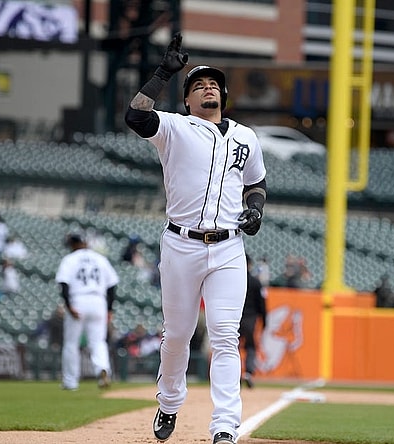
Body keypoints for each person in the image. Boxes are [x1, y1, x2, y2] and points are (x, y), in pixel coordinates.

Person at [124, 33, 267, 444]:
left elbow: (256, 183)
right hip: (181, 244)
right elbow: (136, 118)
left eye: (212, 83)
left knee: (225, 335)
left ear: (223, 94)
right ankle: (169, 402)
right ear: (187, 100)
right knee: (178, 335)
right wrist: (163, 73)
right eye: (197, 85)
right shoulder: (175, 127)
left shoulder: (246, 137)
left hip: (227, 248)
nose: (207, 87)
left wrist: (255, 209)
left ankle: (225, 425)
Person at [55, 232, 119, 391]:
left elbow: (63, 285)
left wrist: (69, 307)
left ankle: (70, 381)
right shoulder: (100, 258)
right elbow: (112, 286)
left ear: (73, 244)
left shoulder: (70, 259)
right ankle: (103, 370)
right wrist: (109, 309)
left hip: (78, 300)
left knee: (71, 343)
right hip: (99, 301)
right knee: (98, 342)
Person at [239, 254, 267, 389]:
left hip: (235, 318)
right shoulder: (256, 282)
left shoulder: (234, 280)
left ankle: (235, 373)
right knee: (250, 347)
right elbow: (262, 303)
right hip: (251, 319)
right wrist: (265, 320)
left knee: (232, 347)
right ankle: (248, 373)